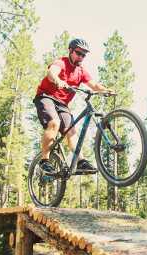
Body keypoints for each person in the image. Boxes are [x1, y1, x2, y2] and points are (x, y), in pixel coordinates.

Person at [33, 38, 113, 174]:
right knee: (54, 123)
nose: (81, 57)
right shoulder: (61, 62)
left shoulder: (80, 71)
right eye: (78, 53)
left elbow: (93, 85)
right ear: (70, 50)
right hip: (46, 97)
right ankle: (44, 161)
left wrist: (107, 90)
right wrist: (58, 80)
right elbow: (52, 72)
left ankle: (80, 161)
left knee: (71, 132)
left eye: (84, 55)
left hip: (63, 104)